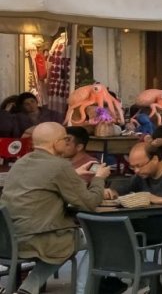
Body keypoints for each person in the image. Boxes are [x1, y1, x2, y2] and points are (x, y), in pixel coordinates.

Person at [0, 122, 109, 294]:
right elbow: (89, 203)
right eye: (65, 139)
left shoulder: (21, 162)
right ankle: (83, 290)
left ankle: (29, 288)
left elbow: (44, 182)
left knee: (65, 242)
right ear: (56, 143)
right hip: (38, 239)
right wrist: (99, 179)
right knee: (98, 237)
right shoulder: (60, 166)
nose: (67, 143)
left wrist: (73, 174)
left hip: (9, 239)